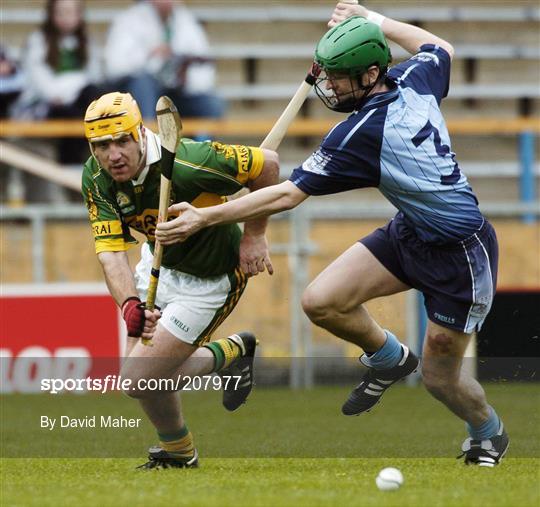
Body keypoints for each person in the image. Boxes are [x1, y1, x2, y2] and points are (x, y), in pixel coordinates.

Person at [155, 5, 509, 467]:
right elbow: (441, 47)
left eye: (340, 77)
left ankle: (487, 432)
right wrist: (370, 18)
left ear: (371, 72)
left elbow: (285, 195)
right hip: (409, 234)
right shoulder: (415, 76)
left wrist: (205, 218)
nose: (331, 85)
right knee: (321, 301)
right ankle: (386, 357)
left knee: (440, 378)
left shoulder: (360, 134)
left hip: (461, 252)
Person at [82, 91, 278, 469]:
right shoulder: (95, 176)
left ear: (140, 133)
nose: (113, 155)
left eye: (122, 140)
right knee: (143, 380)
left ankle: (233, 352)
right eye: (101, 145)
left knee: (138, 380)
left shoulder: (190, 162)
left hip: (212, 278)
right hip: (157, 268)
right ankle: (179, 453)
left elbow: (267, 165)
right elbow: (110, 251)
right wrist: (129, 306)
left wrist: (255, 235)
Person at [104, 0, 223, 122]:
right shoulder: (129, 20)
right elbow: (115, 66)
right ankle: (148, 137)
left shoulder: (187, 21)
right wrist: (150, 55)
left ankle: (202, 141)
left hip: (175, 92)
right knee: (144, 86)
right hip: (138, 93)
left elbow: (204, 66)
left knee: (211, 104)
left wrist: (184, 75)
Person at [18, 0, 102, 165]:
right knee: (73, 117)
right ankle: (71, 167)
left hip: (79, 101)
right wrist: (77, 83)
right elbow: (47, 89)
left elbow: (95, 77)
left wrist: (73, 86)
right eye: (61, 12)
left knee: (93, 104)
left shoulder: (86, 42)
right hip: (45, 107)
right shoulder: (38, 41)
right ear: (51, 14)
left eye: (71, 12)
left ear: (80, 15)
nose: (66, 18)